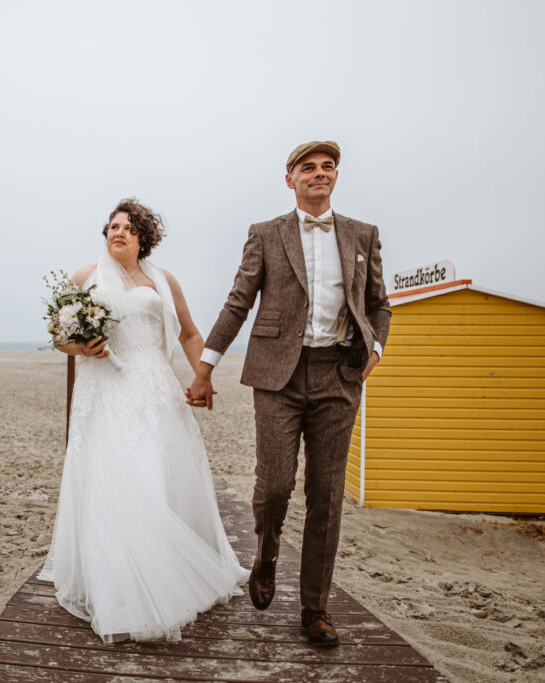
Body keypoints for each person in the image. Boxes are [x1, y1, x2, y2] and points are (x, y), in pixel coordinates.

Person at [187, 141, 391, 648]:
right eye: (308, 168)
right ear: (290, 179)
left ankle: (315, 610)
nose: (319, 174)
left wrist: (377, 348)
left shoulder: (363, 234)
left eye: (327, 168)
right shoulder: (265, 234)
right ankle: (267, 549)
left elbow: (379, 303)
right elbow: (238, 303)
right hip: (277, 375)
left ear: (335, 177)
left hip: (339, 376)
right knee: (276, 484)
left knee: (326, 497)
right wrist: (206, 367)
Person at [39, 198, 248, 643]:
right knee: (110, 479)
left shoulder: (163, 280)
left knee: (154, 475)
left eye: (129, 228)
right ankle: (115, 586)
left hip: (154, 390)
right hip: (103, 391)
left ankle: (165, 573)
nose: (118, 233)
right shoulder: (83, 278)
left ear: (143, 238)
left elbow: (190, 333)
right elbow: (58, 337)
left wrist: (202, 375)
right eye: (113, 226)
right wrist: (81, 349)